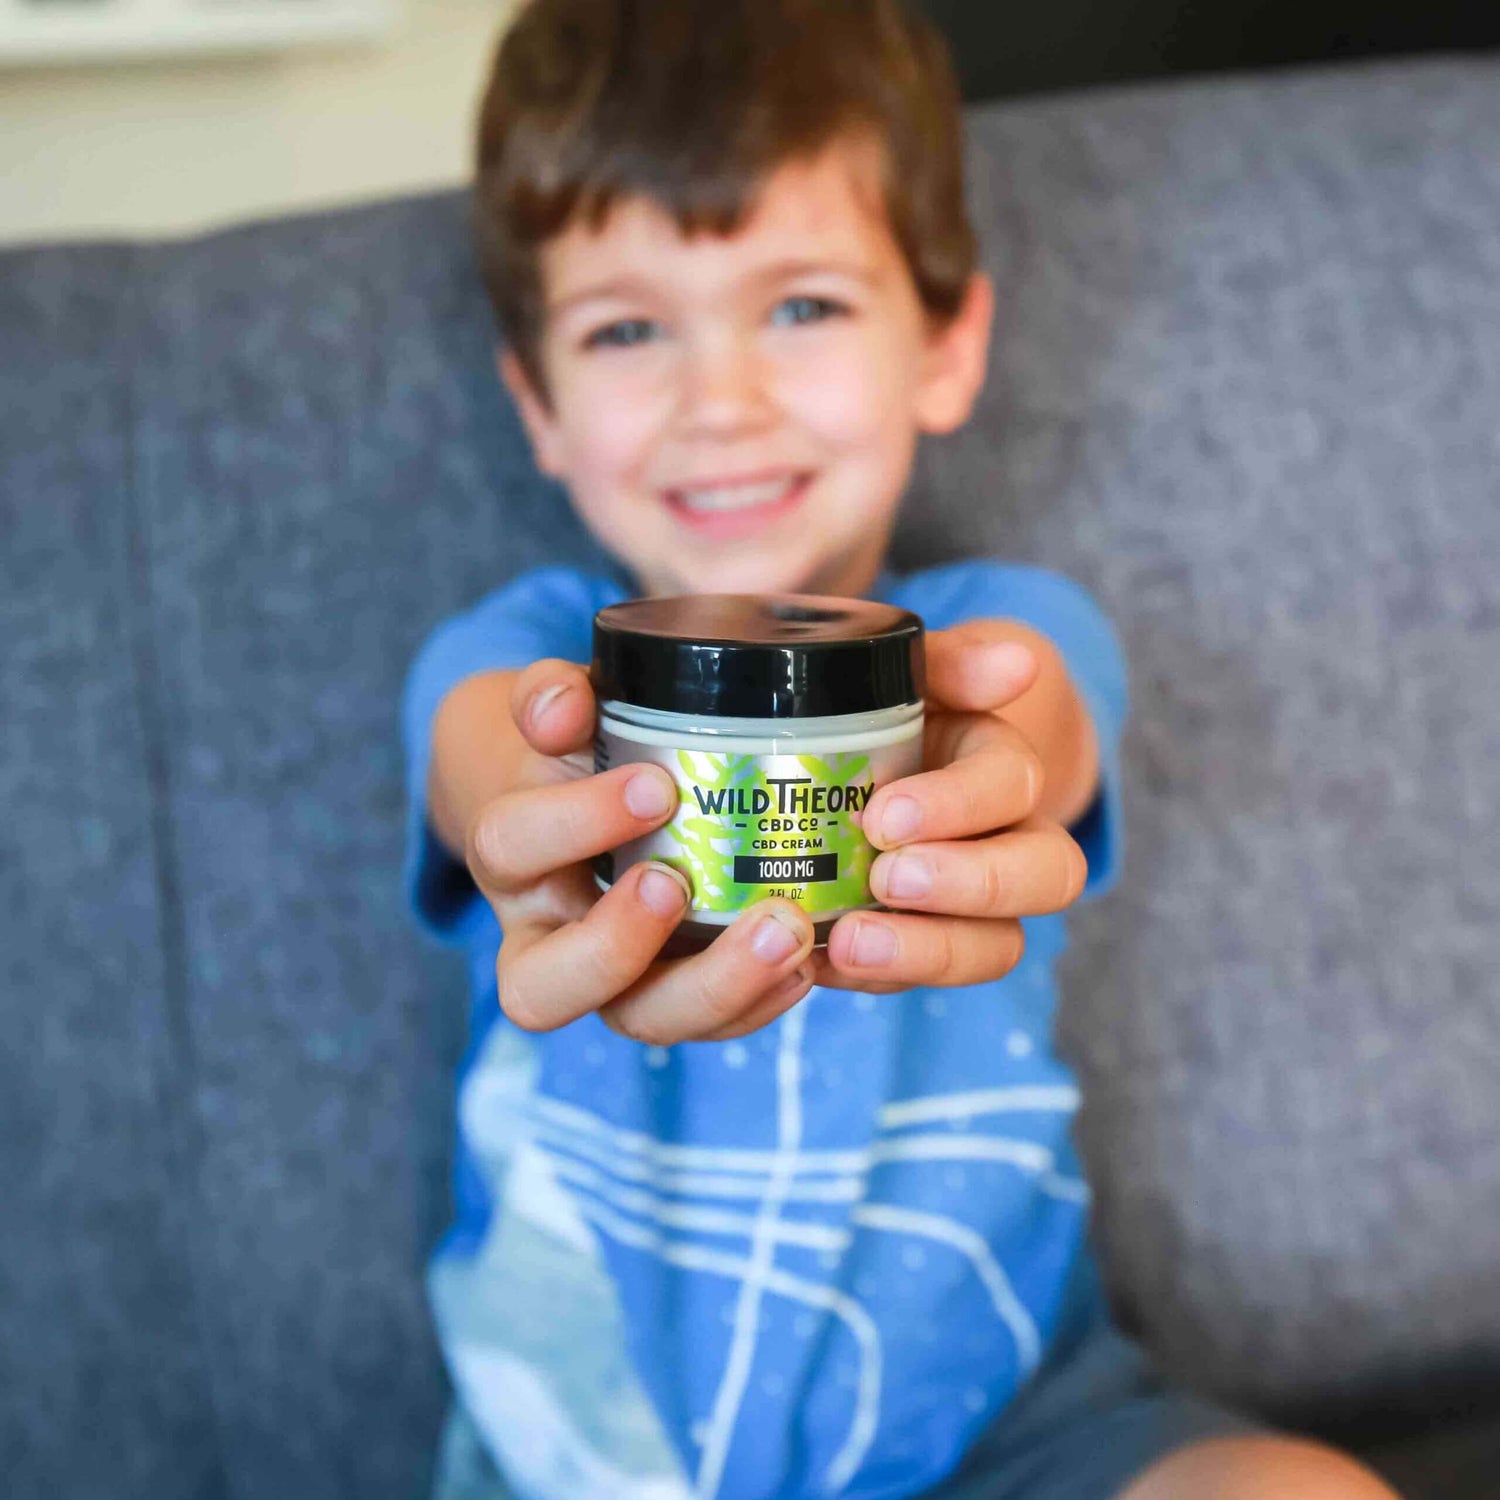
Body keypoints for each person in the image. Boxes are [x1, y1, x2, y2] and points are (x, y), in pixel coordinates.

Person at [401, 1, 1400, 1496]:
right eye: (626, 329)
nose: (718, 404)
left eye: (801, 306)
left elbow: (1040, 721)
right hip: (574, 1458)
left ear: (945, 345)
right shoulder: (522, 647)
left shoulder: (996, 626)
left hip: (1011, 1433)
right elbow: (477, 746)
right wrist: (537, 817)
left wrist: (986, 762)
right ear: (537, 405)